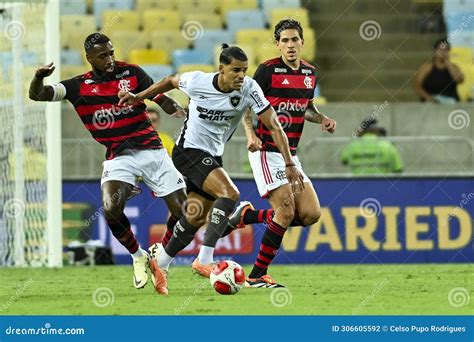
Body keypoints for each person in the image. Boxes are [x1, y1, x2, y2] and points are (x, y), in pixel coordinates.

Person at [118, 44, 303, 295]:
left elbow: (274, 126)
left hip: (213, 156)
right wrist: (140, 97)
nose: (241, 75)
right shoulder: (198, 81)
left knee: (194, 217)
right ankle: (205, 260)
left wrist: (289, 162)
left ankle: (160, 263)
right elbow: (170, 81)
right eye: (235, 70)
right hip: (188, 151)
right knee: (230, 193)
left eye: (244, 70)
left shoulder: (249, 88)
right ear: (221, 69)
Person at [28, 33, 187, 290]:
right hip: (119, 156)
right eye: (103, 55)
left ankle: (160, 253)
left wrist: (179, 109)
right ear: (89, 58)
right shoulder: (78, 86)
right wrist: (38, 77)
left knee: (185, 213)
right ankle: (138, 256)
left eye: (111, 53)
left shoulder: (133, 73)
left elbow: (161, 99)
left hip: (153, 151)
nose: (110, 59)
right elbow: (39, 95)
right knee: (111, 207)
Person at [223, 19, 337, 288]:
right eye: (284, 40)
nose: (290, 45)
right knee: (285, 212)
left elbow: (304, 108)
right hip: (265, 149)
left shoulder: (310, 72)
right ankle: (257, 275)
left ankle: (246, 216)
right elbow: (245, 108)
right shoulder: (267, 70)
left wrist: (321, 119)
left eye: (294, 39)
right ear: (277, 44)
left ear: (302, 42)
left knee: (310, 214)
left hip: (290, 154)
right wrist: (250, 135)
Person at [415, 38, 464, 103]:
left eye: (446, 49)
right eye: (441, 49)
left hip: (450, 100)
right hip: (431, 100)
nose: (443, 52)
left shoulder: (453, 67)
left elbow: (460, 80)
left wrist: (447, 62)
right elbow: (417, 85)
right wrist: (429, 98)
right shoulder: (427, 67)